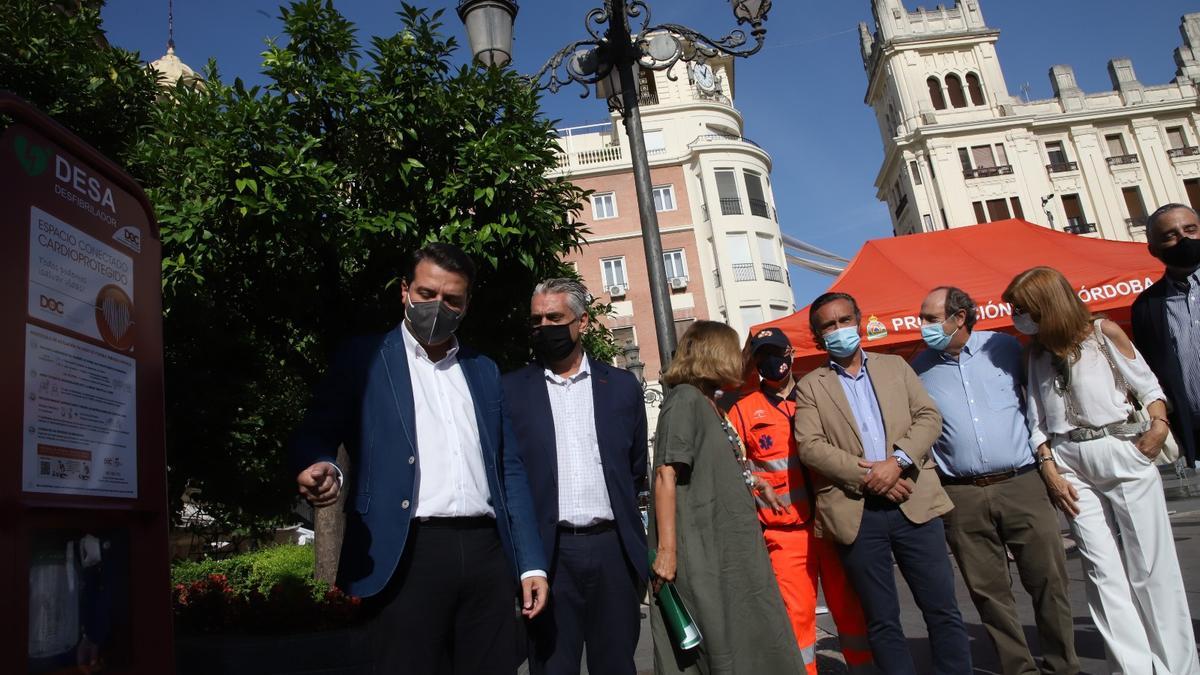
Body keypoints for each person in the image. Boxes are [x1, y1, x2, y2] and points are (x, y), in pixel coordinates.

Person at [289, 243, 549, 675]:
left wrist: (530, 563)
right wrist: (323, 467)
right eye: (427, 294)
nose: (437, 307)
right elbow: (317, 430)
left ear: (467, 304)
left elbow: (509, 469)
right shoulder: (364, 358)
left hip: (487, 554)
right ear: (404, 290)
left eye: (452, 300)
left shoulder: (483, 369)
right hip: (405, 554)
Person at [1004, 266, 1199, 675]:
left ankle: (1177, 668)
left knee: (1150, 566)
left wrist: (1158, 427)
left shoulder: (1102, 333)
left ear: (1046, 304)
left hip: (1121, 448)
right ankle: (1132, 669)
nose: (1017, 316)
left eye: (1022, 308)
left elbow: (1149, 388)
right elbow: (1035, 418)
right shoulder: (1035, 353)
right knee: (1100, 570)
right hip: (1068, 460)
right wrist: (1049, 468)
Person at [794, 292, 972, 675]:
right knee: (882, 620)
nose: (839, 330)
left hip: (916, 503)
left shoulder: (896, 367)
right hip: (858, 514)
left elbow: (928, 417)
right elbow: (811, 447)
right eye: (828, 325)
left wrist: (898, 462)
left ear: (858, 320)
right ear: (818, 335)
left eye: (844, 320)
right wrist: (874, 476)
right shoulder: (811, 386)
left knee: (942, 609)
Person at [912, 287, 1078, 675]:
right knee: (989, 593)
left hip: (1023, 482)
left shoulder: (1004, 348)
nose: (924, 327)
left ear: (960, 318)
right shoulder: (918, 368)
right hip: (961, 494)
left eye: (931, 319)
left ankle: (1063, 666)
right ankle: (1018, 669)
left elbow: (1039, 399)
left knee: (1049, 581)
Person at [502, 278, 648, 675]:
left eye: (555, 317)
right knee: (552, 667)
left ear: (582, 322)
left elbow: (636, 469)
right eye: (536, 320)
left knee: (617, 664)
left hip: (612, 551)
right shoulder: (511, 391)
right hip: (548, 556)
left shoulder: (621, 387)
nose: (543, 327)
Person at [648, 320, 806, 674]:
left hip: (727, 547)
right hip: (703, 552)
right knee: (717, 642)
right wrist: (668, 553)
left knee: (748, 637)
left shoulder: (710, 402)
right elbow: (665, 474)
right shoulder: (685, 399)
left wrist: (754, 480)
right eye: (733, 350)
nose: (740, 359)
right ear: (715, 352)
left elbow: (714, 464)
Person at [728, 327, 873, 675]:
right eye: (762, 356)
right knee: (797, 619)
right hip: (785, 534)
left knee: (852, 610)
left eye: (776, 353)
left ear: (791, 354)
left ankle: (865, 669)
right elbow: (735, 471)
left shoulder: (820, 393)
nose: (771, 362)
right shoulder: (744, 411)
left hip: (835, 525)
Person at [1132, 203, 1200, 466]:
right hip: (1194, 432)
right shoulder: (1147, 306)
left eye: (1190, 229)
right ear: (1154, 250)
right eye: (1170, 235)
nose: (1182, 238)